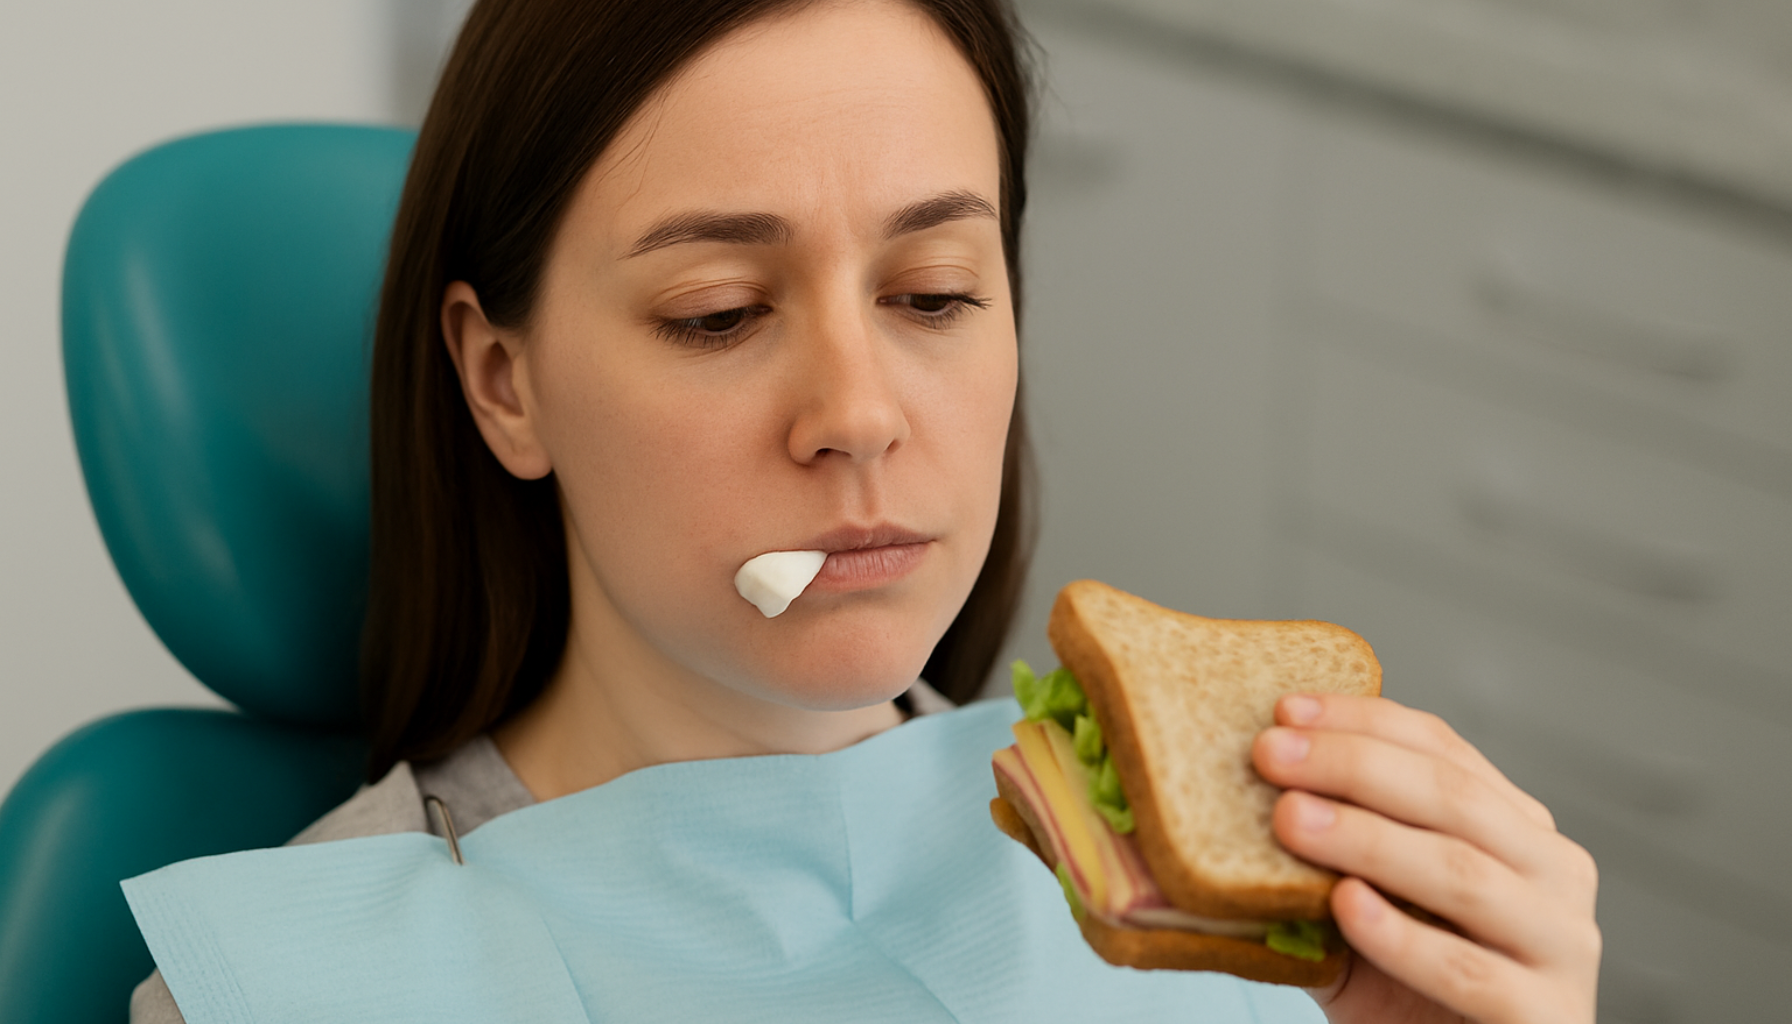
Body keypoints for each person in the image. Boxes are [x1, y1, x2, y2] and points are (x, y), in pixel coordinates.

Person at [129, 1, 1601, 1021]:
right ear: (505, 382)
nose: (859, 414)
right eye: (717, 314)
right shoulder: (276, 986)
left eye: (933, 294)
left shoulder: (1250, 911)